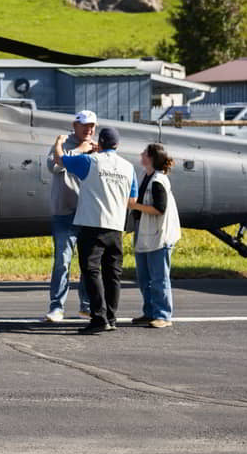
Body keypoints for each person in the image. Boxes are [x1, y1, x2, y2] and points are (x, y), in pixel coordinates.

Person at [54, 126, 138, 335]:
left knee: (91, 271)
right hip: (116, 226)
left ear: (99, 143)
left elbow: (60, 160)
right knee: (113, 274)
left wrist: (58, 142)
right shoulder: (128, 167)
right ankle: (111, 317)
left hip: (93, 224)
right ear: (117, 144)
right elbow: (132, 200)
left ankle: (98, 317)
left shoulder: (91, 161)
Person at [43, 110, 96, 322]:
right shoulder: (62, 144)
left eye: (92, 125)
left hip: (88, 212)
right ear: (74, 125)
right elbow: (53, 166)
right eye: (84, 125)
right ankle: (56, 307)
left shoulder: (96, 148)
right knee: (62, 261)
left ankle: (86, 306)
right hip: (64, 213)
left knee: (88, 263)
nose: (89, 129)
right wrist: (80, 151)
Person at [128, 143, 181, 328]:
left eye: (144, 153)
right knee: (144, 277)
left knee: (159, 277)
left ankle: (163, 315)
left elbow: (160, 208)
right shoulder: (145, 176)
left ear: (150, 157)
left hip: (159, 235)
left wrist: (134, 206)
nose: (141, 154)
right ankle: (149, 311)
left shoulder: (159, 180)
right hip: (144, 232)